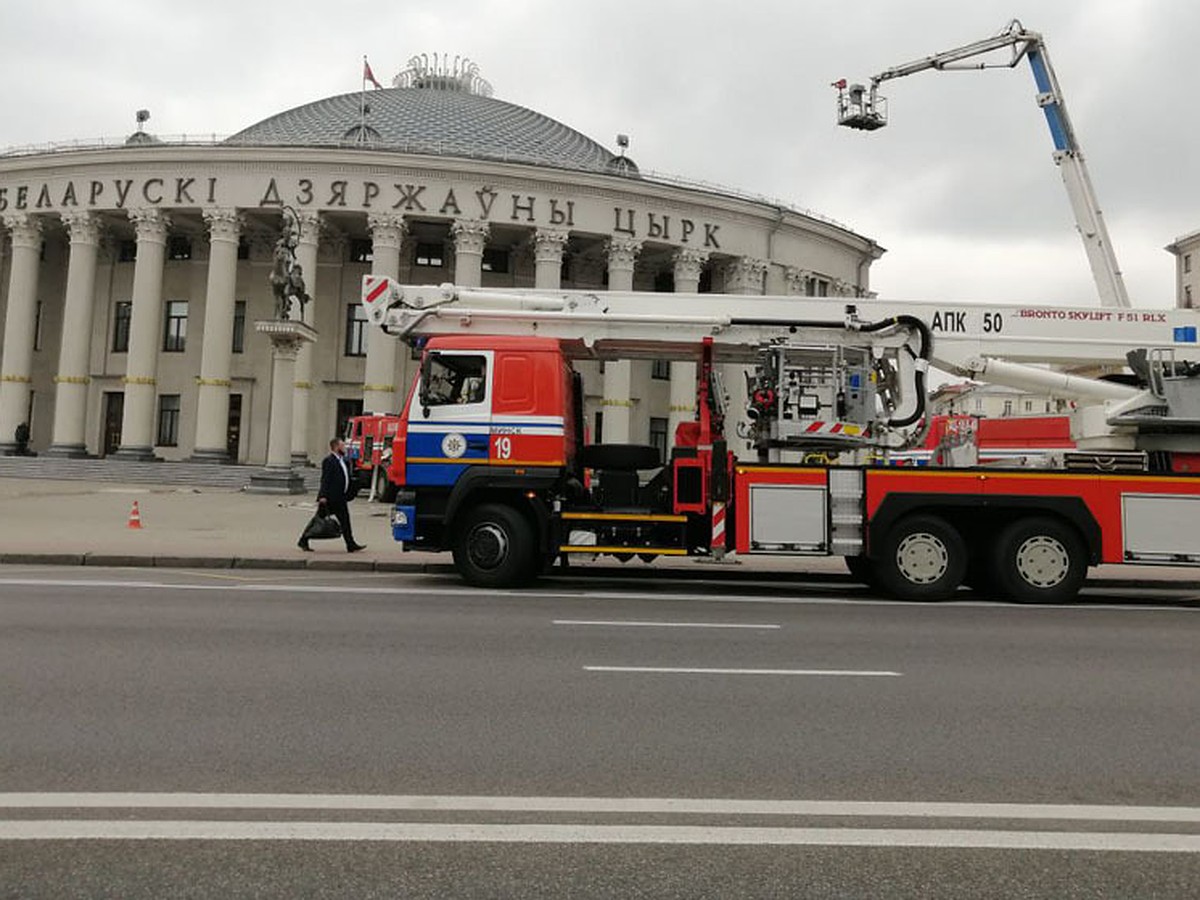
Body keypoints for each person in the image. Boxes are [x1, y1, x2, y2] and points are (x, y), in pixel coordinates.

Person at [298, 437, 366, 553]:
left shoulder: (343, 460)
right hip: (330, 498)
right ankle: (303, 540)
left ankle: (350, 544)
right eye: (342, 446)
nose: (344, 448)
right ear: (336, 447)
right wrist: (322, 496)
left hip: (340, 497)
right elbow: (325, 479)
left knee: (345, 521)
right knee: (318, 520)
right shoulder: (329, 461)